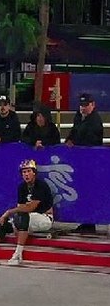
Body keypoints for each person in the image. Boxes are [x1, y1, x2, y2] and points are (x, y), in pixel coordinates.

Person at [66, 93, 103, 233]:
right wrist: (69, 139)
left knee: (89, 192)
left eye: (86, 105)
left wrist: (76, 142)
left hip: (90, 162)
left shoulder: (95, 121)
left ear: (92, 105)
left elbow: (91, 141)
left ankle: (90, 223)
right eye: (81, 105)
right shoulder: (79, 116)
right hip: (79, 161)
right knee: (81, 191)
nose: (83, 108)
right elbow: (74, 131)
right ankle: (84, 221)